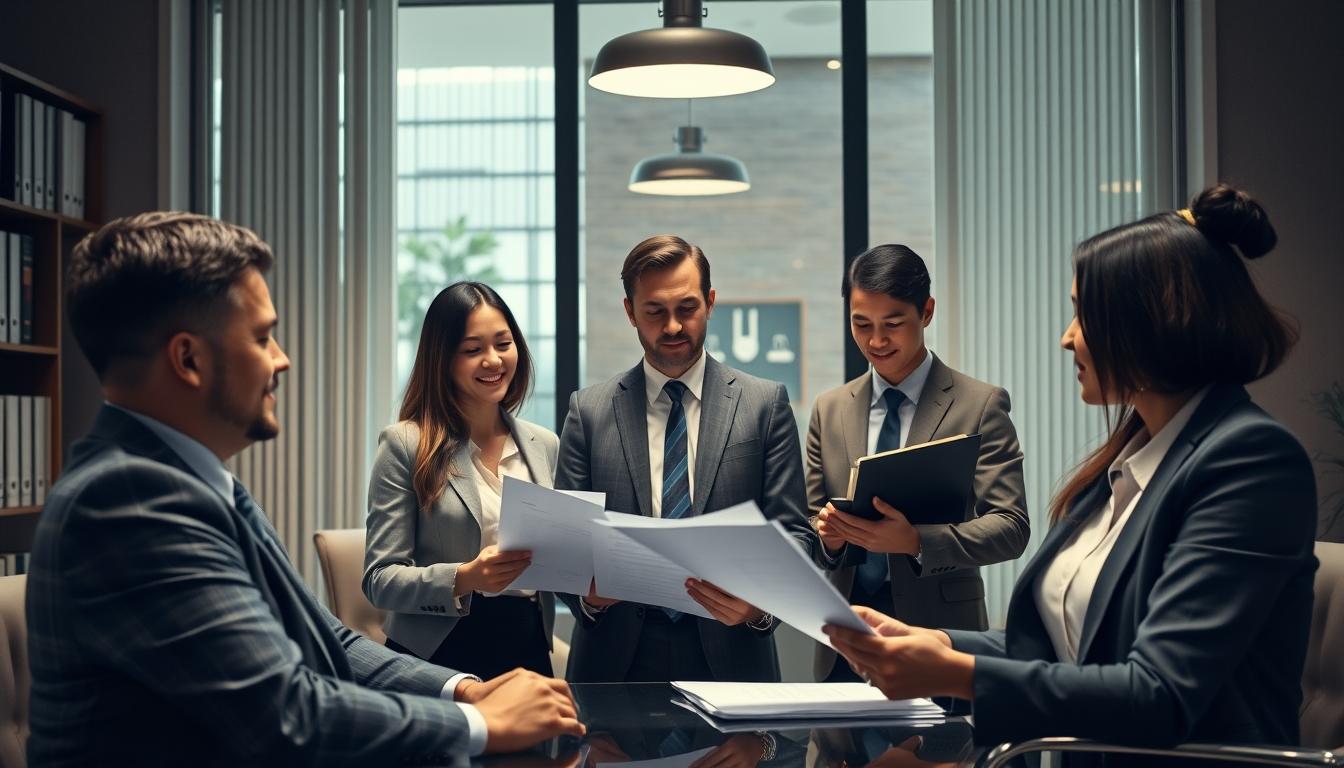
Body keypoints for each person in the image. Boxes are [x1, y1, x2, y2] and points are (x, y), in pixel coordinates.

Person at [26, 212, 583, 766]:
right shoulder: (130, 504)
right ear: (188, 359)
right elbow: (286, 713)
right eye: (263, 337)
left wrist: (464, 690)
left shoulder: (203, 484)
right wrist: (478, 722)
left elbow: (328, 641)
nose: (281, 359)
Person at [824, 186, 1317, 758]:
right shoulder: (1131, 461)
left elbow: (1158, 696)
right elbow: (1069, 649)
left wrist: (956, 674)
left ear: (1152, 324)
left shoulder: (1250, 461)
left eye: (1083, 313)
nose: (1066, 336)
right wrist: (937, 642)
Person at [554, 234, 812, 682]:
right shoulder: (589, 411)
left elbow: (795, 535)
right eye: (654, 311)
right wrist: (588, 597)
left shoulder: (764, 404)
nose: (673, 326)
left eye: (687, 308)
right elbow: (562, 546)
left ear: (710, 302)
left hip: (735, 655)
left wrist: (760, 607)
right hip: (614, 663)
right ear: (630, 311)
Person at [807, 244, 1029, 683]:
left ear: (926, 312)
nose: (876, 341)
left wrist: (916, 541)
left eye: (893, 324)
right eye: (861, 324)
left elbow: (1011, 527)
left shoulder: (979, 405)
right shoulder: (828, 410)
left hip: (940, 637)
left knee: (940, 754)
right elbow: (809, 526)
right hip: (845, 642)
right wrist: (829, 538)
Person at [364, 282, 556, 679]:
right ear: (444, 360)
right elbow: (379, 580)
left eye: (503, 344)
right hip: (437, 653)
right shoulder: (405, 444)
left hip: (527, 647)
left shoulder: (545, 445)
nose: (493, 360)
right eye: (473, 350)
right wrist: (465, 577)